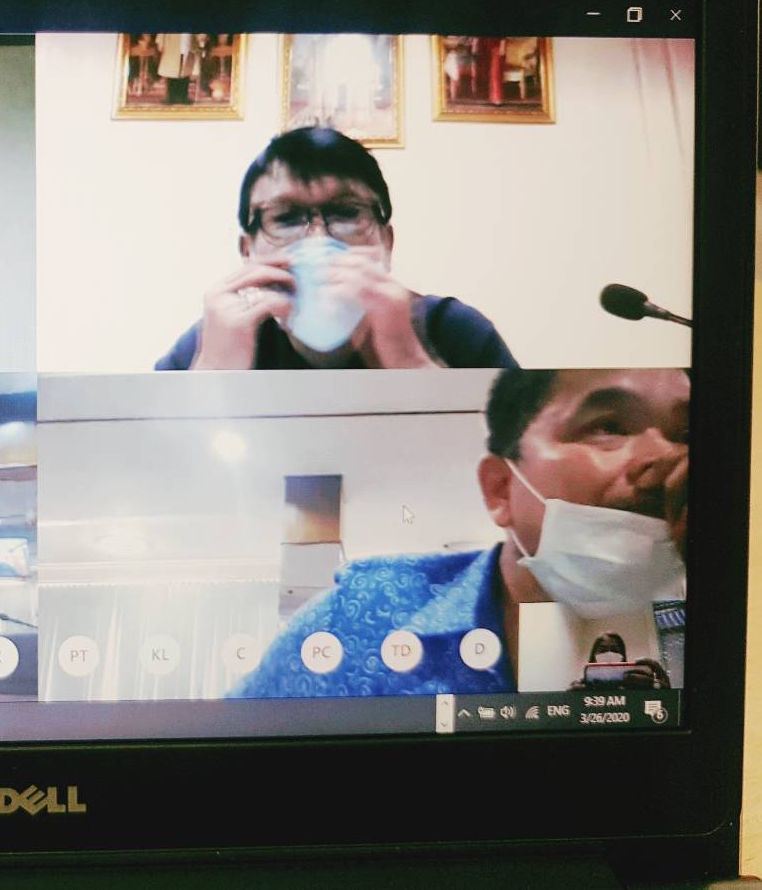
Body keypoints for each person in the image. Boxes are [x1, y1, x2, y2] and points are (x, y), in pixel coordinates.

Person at [228, 367, 688, 698]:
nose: (665, 456)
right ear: (501, 489)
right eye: (609, 426)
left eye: (686, 432)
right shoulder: (363, 614)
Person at [156, 127, 517, 370]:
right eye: (285, 218)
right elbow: (146, 458)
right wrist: (211, 379)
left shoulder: (454, 331)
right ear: (247, 251)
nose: (317, 242)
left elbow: (512, 459)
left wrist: (410, 361)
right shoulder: (215, 339)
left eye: (346, 213)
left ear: (386, 243)